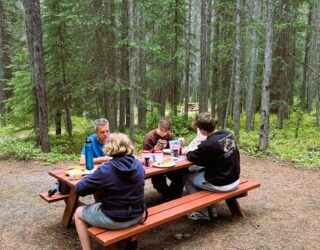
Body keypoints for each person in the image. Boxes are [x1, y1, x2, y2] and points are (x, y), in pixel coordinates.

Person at [74, 133, 145, 250]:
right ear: (128, 146)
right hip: (138, 214)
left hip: (114, 218)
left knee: (78, 212)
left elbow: (79, 189)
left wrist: (92, 174)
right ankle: (132, 242)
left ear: (109, 147)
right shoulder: (137, 164)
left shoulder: (105, 170)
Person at [183, 112, 240, 220]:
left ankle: (201, 212)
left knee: (187, 176)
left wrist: (186, 151)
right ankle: (211, 209)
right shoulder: (228, 134)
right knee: (200, 172)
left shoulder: (208, 144)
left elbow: (191, 157)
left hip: (223, 184)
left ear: (203, 130)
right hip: (235, 179)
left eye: (199, 129)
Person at [143, 117, 184, 201]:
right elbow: (145, 155)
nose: (163, 134)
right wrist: (154, 150)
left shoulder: (169, 135)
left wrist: (178, 146)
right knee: (158, 179)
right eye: (161, 131)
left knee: (180, 175)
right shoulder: (149, 136)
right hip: (154, 165)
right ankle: (169, 196)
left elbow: (172, 149)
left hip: (168, 162)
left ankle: (174, 198)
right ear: (158, 125)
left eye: (165, 132)